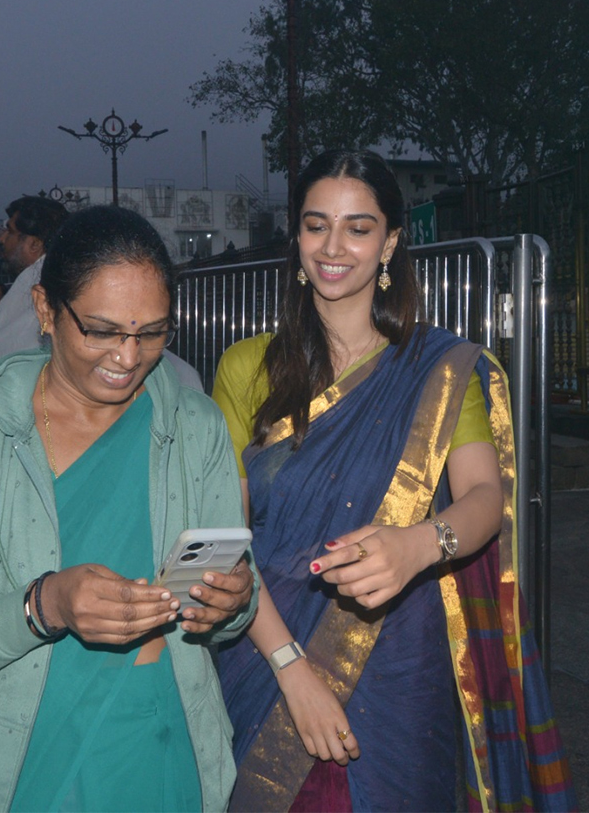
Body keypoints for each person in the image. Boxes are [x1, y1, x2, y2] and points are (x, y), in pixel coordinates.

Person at [212, 150, 575, 812]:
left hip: (400, 654)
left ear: (390, 242)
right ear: (295, 237)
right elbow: (227, 541)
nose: (334, 246)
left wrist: (417, 547)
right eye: (316, 225)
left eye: (358, 227)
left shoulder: (439, 369)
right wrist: (292, 669)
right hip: (266, 651)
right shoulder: (244, 369)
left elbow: (484, 500)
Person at [0, 205, 256, 813]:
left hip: (158, 741)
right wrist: (45, 604)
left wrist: (232, 602)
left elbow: (241, 601)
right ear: (44, 312)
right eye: (103, 330)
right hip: (18, 755)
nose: (128, 357)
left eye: (153, 332)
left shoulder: (194, 427)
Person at [0, 195, 68, 393]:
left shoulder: (43, 286)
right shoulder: (49, 276)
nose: (2, 239)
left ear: (34, 244)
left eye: (10, 231)